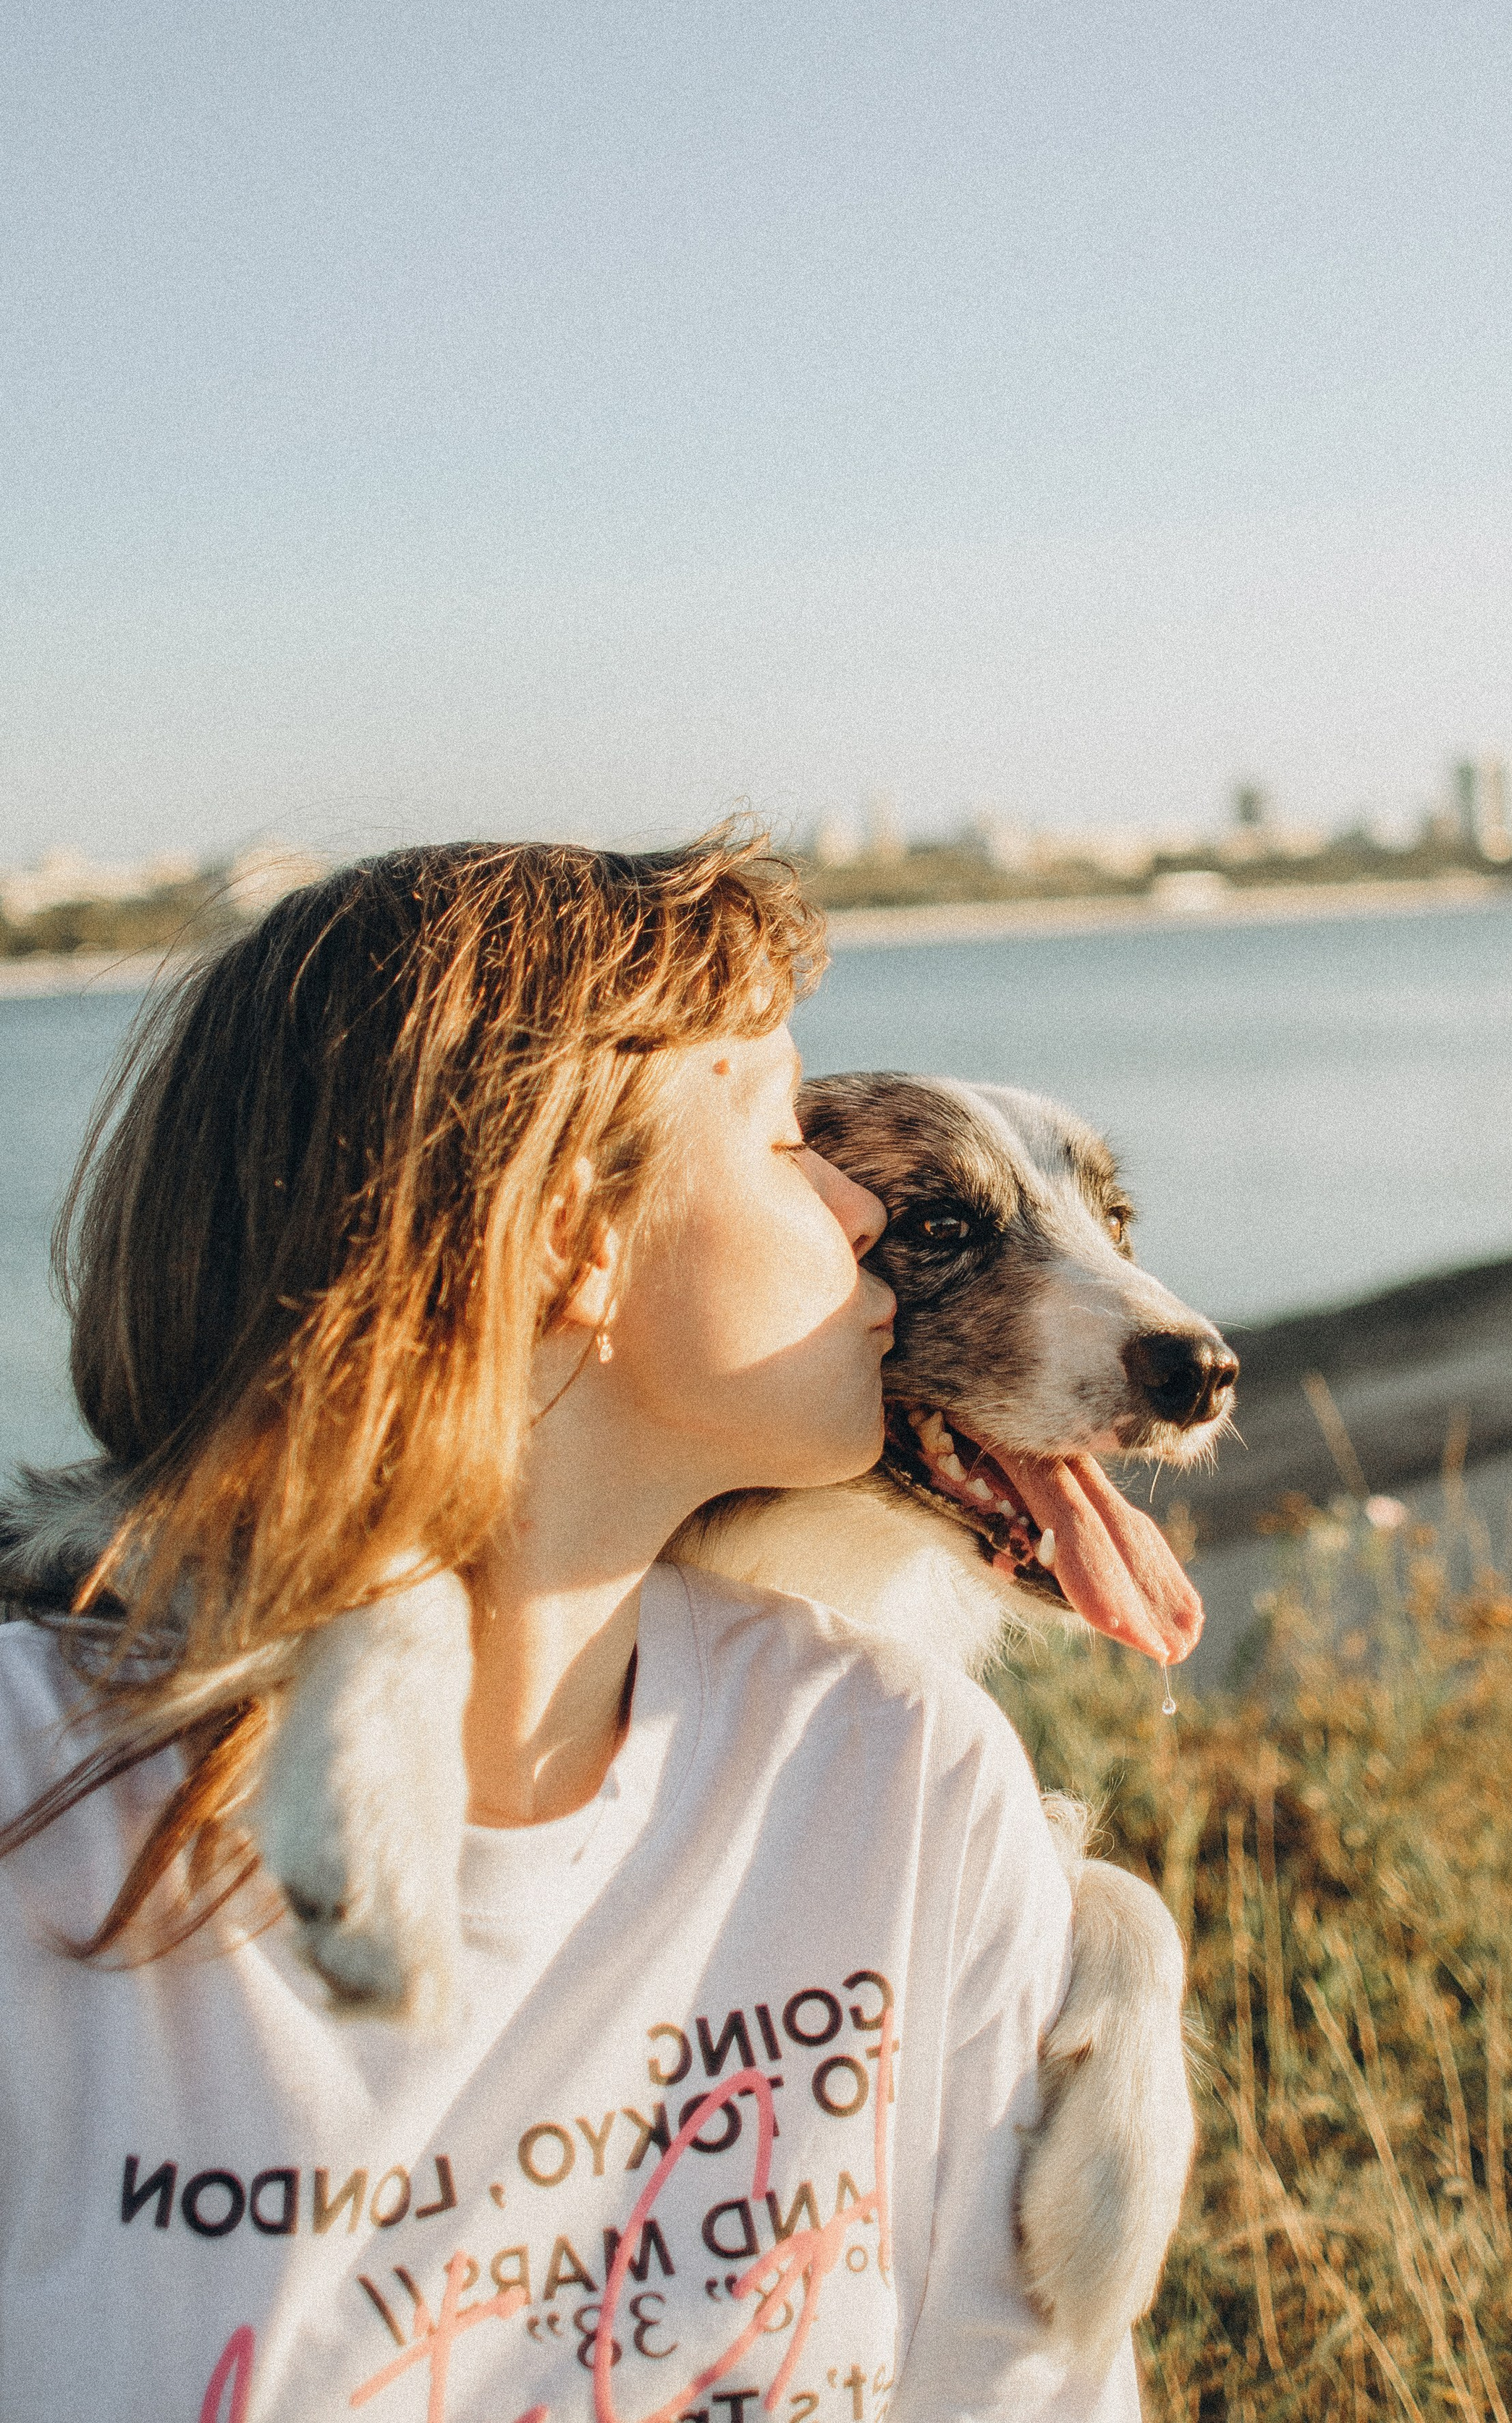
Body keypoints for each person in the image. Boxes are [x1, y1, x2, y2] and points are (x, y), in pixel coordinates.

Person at [0, 833, 1140, 2422]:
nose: (854, 1209)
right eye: (772, 1130)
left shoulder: (903, 1771)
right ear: (563, 1232)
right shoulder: (33, 1785)